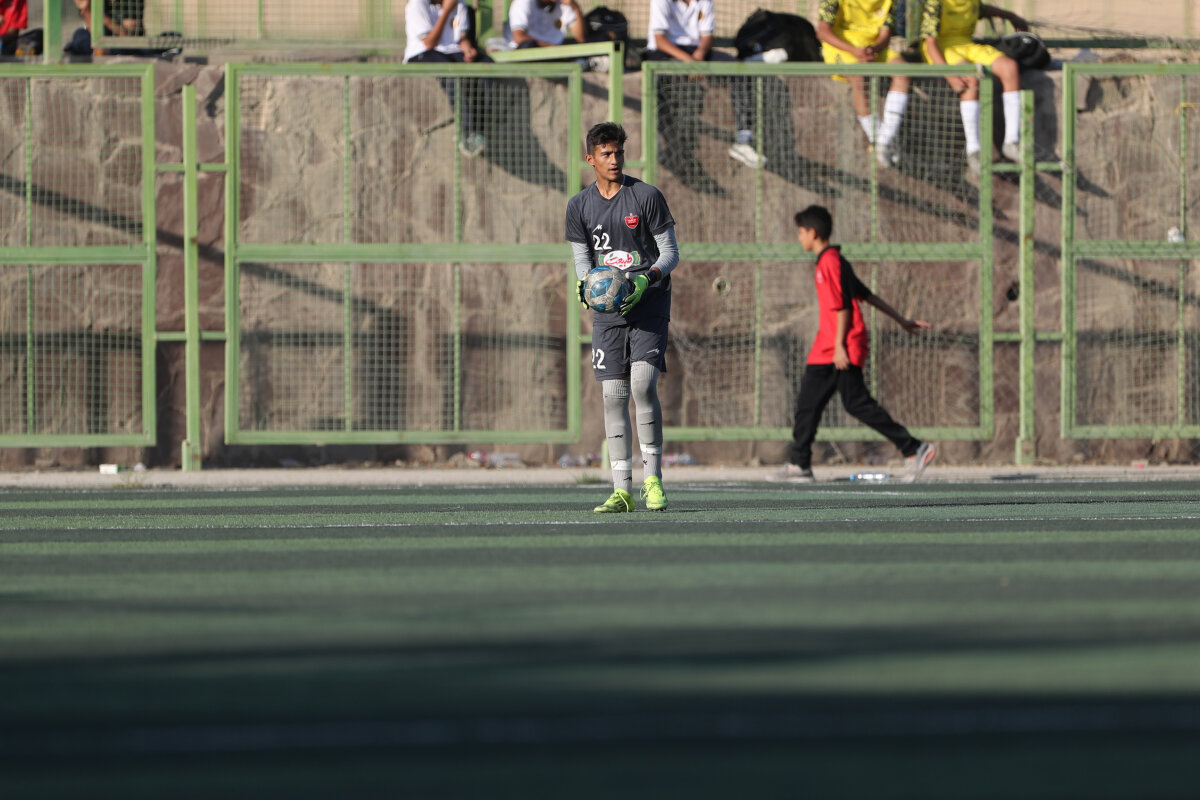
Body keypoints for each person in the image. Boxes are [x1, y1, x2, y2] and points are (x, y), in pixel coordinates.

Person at [776, 205, 936, 484]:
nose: (798, 237)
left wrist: (839, 346)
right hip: (828, 347)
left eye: (800, 232)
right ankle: (800, 463)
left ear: (813, 233)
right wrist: (901, 320)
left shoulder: (830, 263)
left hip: (839, 347)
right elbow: (867, 295)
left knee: (852, 403)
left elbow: (844, 308)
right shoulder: (834, 260)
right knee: (812, 404)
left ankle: (915, 448)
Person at [566, 122, 679, 513]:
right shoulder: (579, 206)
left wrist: (647, 280)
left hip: (648, 304)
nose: (614, 160)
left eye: (618, 153)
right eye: (606, 154)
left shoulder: (646, 196)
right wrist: (586, 286)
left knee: (643, 386)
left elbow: (670, 253)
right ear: (590, 159)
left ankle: (653, 481)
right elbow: (583, 258)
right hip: (609, 313)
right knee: (613, 396)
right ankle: (622, 491)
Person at [642, 0, 765, 172]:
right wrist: (690, 62)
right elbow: (660, 41)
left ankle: (743, 140)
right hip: (662, 52)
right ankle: (653, 146)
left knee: (740, 71)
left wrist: (699, 55)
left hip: (695, 52)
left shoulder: (705, 2)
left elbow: (707, 37)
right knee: (661, 81)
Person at [920, 0, 1029, 176]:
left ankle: (1012, 141)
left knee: (1009, 67)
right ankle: (974, 150)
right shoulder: (935, 3)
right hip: (942, 47)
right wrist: (950, 75)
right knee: (970, 78)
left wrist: (1011, 16)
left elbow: (982, 10)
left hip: (967, 45)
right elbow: (930, 44)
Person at [816, 0, 912, 168]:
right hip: (841, 48)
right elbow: (823, 32)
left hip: (872, 49)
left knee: (903, 72)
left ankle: (883, 142)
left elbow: (885, 34)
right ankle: (876, 138)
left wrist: (872, 50)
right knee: (859, 78)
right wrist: (854, 51)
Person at [404, 0, 493, 158]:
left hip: (451, 52)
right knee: (451, 74)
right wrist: (446, 11)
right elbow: (429, 42)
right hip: (423, 52)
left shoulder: (459, 5)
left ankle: (482, 126)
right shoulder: (417, 5)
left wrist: (468, 50)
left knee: (487, 66)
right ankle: (467, 133)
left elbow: (460, 35)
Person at [504, 0, 586, 50]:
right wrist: (552, 48)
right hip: (527, 50)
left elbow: (581, 38)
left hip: (554, 51)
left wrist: (575, 7)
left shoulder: (564, 3)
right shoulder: (523, 2)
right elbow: (519, 38)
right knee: (528, 45)